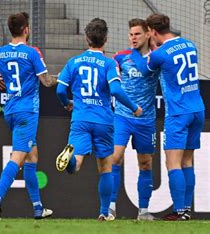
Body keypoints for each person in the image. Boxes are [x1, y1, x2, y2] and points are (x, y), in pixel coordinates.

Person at [55, 18, 142, 221]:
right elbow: (116, 90)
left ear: (86, 38)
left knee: (76, 164)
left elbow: (60, 89)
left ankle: (68, 161)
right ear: (106, 39)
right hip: (103, 120)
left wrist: (67, 102)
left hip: (81, 118)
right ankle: (104, 212)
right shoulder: (109, 63)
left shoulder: (73, 62)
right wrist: (134, 107)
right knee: (105, 167)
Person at [0, 12, 57, 220]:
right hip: (27, 111)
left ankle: (38, 208)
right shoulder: (31, 53)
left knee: (32, 155)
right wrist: (63, 79)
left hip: (10, 110)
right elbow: (46, 82)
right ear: (26, 29)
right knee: (18, 156)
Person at [144, 13, 205, 221]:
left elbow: (147, 70)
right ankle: (186, 210)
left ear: (152, 31)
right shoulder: (190, 45)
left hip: (178, 112)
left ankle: (180, 211)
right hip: (197, 108)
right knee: (187, 161)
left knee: (173, 163)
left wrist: (151, 48)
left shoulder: (160, 54)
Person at [109, 19, 159, 220]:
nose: (133, 38)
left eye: (137, 34)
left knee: (145, 163)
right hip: (122, 116)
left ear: (148, 34)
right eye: (131, 34)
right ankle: (109, 208)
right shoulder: (120, 57)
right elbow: (113, 84)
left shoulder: (156, 59)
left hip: (146, 120)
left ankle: (143, 211)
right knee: (114, 158)